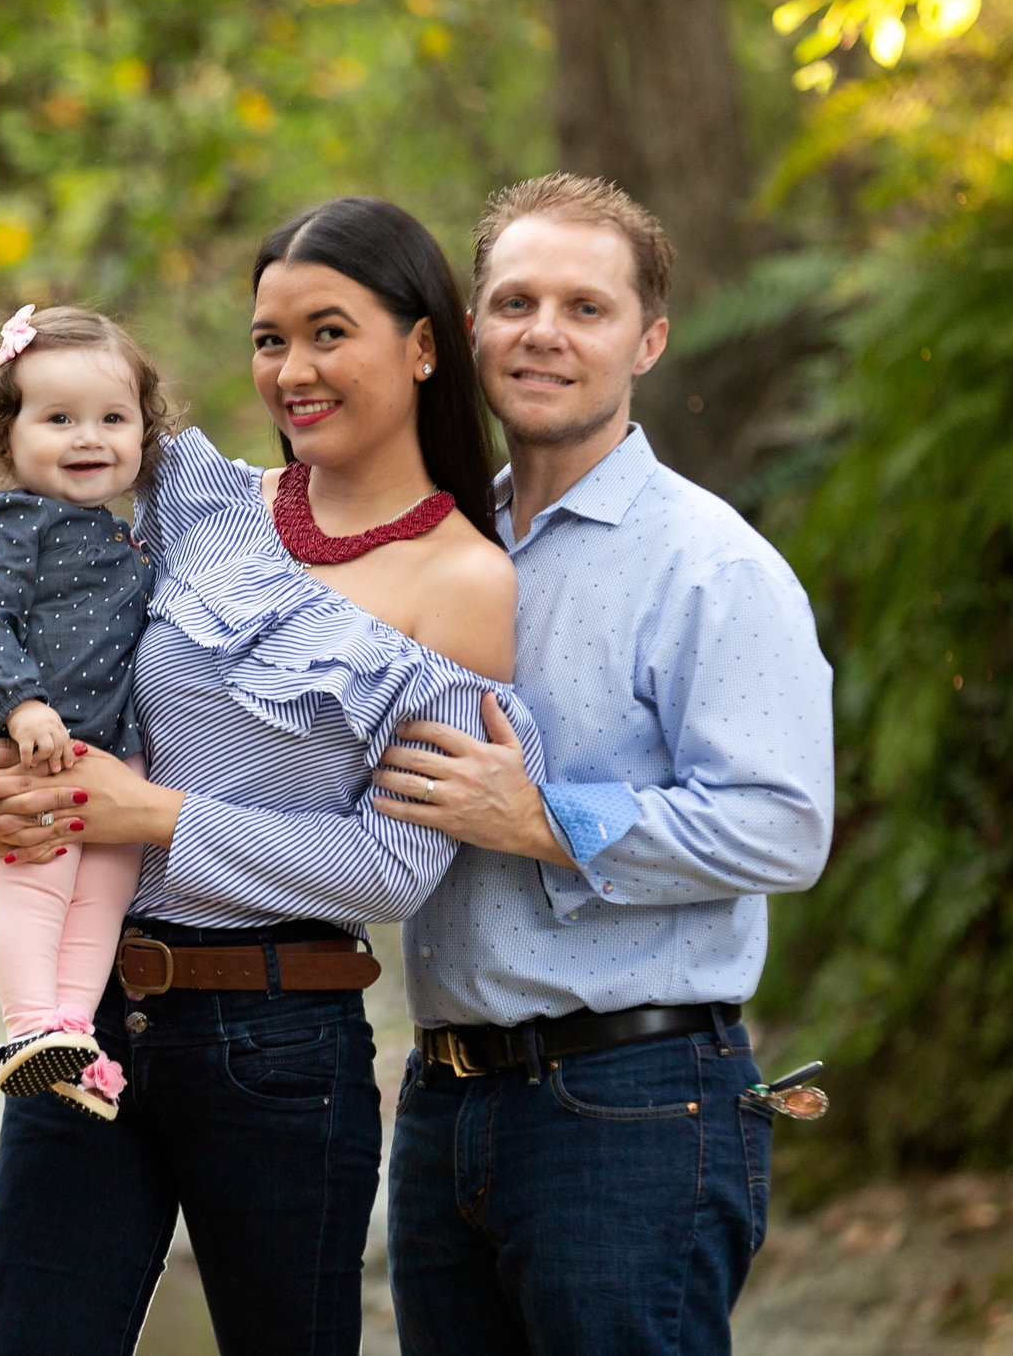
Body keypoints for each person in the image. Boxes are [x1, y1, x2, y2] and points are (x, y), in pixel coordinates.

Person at [0, 197, 540, 1356]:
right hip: (86, 1012)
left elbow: (393, 864)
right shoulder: (194, 502)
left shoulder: (463, 580)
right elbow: (51, 680)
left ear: (422, 346)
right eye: (269, 338)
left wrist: (154, 814)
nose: (291, 369)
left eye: (327, 332)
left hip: (273, 1043)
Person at [367, 173, 836, 1356]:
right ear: (467, 329)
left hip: (630, 1104)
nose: (543, 332)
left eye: (586, 307)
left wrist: (546, 818)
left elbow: (785, 825)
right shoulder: (439, 542)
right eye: (515, 300)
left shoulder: (710, 564)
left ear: (648, 341)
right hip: (442, 1103)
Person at [0, 304, 169, 1119]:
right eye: (59, 418)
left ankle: (71, 1034)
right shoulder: (7, 521)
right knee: (39, 883)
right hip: (20, 740)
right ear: (8, 437)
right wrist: (22, 702)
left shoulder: (125, 537)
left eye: (114, 418)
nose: (89, 438)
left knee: (106, 887)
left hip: (106, 751)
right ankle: (26, 1024)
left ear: (145, 430)